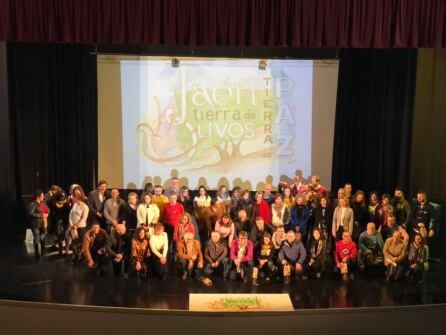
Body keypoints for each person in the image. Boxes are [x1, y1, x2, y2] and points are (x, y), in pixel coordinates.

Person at [69, 186, 89, 261]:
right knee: (74, 242)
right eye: (75, 195)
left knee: (80, 242)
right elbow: (70, 214)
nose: (76, 198)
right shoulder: (74, 205)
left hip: (81, 227)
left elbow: (84, 218)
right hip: (73, 227)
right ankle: (75, 254)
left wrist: (76, 225)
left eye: (77, 195)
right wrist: (71, 224)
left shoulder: (85, 206)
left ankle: (80, 255)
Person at [28, 190, 49, 259]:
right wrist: (41, 215)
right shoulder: (32, 204)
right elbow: (31, 214)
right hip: (36, 224)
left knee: (43, 238)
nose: (43, 197)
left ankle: (43, 252)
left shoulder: (43, 203)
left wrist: (47, 213)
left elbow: (47, 209)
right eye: (42, 196)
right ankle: (37, 254)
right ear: (38, 197)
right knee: (37, 238)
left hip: (43, 224)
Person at [163, 193, 184, 259]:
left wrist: (181, 226)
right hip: (167, 227)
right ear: (168, 199)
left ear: (176, 199)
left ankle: (175, 257)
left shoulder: (180, 206)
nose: (172, 200)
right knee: (168, 242)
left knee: (175, 243)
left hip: (176, 228)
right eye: (171, 198)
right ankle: (168, 257)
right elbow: (163, 216)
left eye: (174, 198)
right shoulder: (165, 206)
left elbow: (183, 216)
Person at [49, 191, 70, 256]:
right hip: (58, 223)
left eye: (63, 197)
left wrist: (64, 220)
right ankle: (60, 251)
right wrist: (58, 220)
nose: (62, 199)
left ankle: (66, 250)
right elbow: (53, 214)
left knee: (66, 236)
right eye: (61, 197)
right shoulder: (54, 205)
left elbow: (68, 214)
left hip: (66, 222)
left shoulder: (66, 204)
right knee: (60, 237)